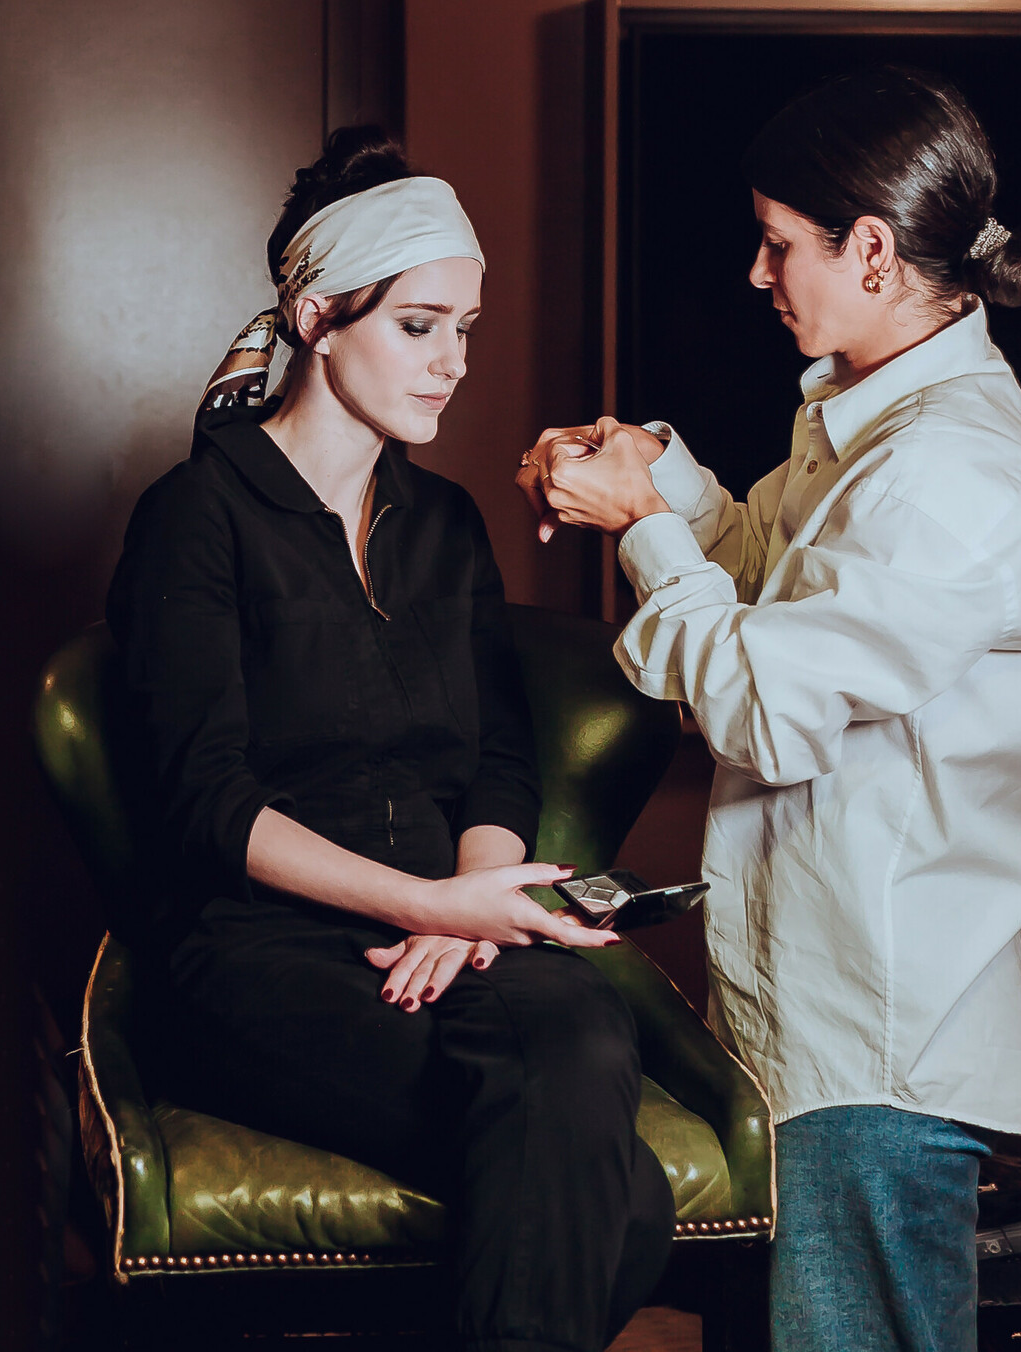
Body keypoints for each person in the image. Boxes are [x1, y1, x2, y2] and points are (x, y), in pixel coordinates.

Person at [107, 125, 675, 1352]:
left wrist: (466, 903)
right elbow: (206, 801)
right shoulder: (194, 515)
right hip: (254, 948)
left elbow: (500, 760)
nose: (452, 362)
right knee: (621, 1197)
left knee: (582, 1032)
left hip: (446, 926)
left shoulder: (445, 523)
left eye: (463, 328)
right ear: (316, 317)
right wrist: (425, 903)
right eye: (418, 326)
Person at [518, 68, 1021, 1352]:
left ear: (870, 250)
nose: (756, 274)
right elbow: (772, 578)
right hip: (815, 1021)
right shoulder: (869, 411)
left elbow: (758, 700)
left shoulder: (948, 466)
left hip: (883, 1038)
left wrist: (641, 526)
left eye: (777, 242)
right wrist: (659, 476)